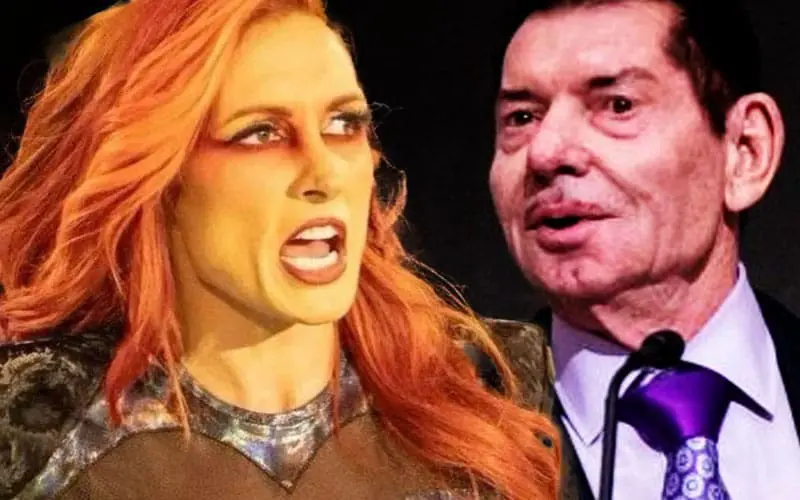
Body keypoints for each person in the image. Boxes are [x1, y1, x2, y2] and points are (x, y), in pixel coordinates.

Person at [0, 0, 560, 498]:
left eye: (343, 124)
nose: (325, 171)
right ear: (157, 179)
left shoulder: (487, 383)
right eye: (261, 133)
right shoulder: (33, 423)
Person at [487, 0, 800, 499]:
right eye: (522, 117)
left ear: (745, 151)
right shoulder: (424, 441)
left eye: (617, 106)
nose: (545, 153)